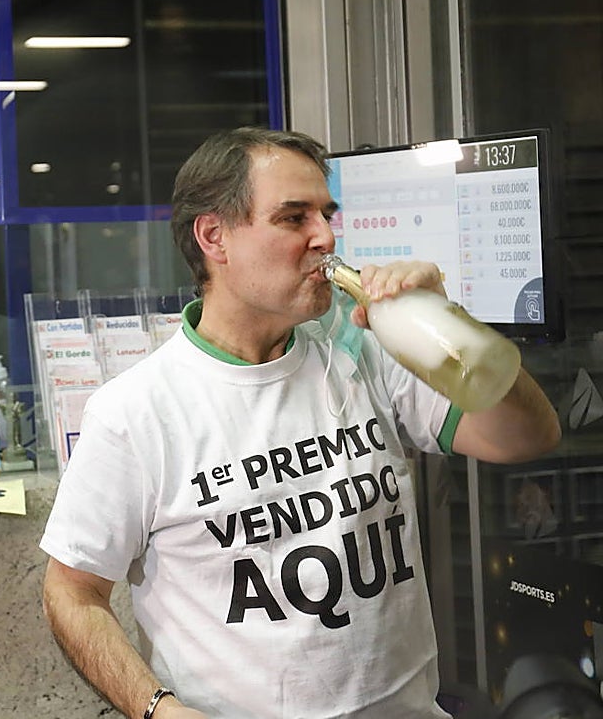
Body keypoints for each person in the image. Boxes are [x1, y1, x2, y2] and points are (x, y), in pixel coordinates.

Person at [39, 126, 561, 719]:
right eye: (294, 218)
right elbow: (72, 593)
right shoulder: (134, 412)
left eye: (326, 214)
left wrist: (452, 321)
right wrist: (156, 709)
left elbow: (529, 436)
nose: (325, 237)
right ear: (215, 237)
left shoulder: (364, 351)